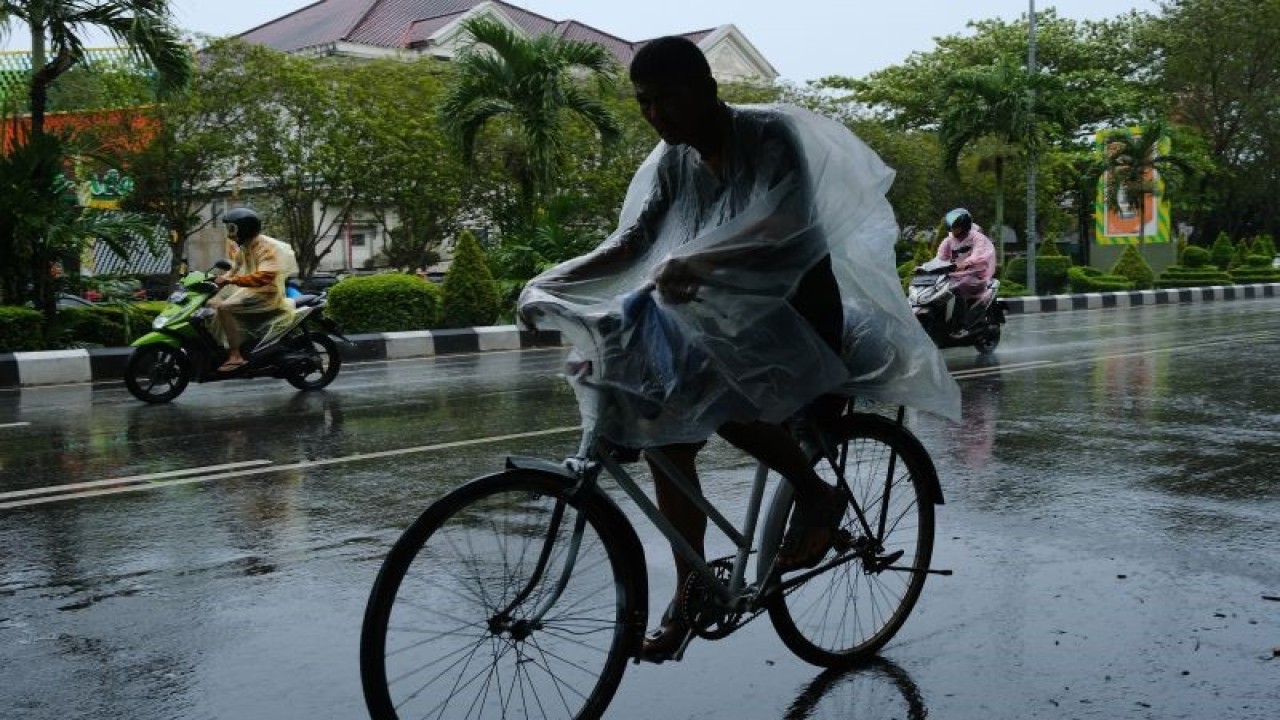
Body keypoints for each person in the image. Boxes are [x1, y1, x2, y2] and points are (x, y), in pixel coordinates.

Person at [519, 37, 959, 662]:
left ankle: (815, 492)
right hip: (723, 318)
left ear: (708, 89)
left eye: (668, 98)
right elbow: (638, 240)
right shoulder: (675, 162)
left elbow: (789, 227)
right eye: (644, 102)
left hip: (799, 320)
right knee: (665, 437)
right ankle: (693, 592)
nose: (656, 114)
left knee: (712, 396)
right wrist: (552, 281)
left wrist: (697, 259)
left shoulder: (771, 137)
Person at [209, 207, 298, 372]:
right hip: (252, 291)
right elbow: (234, 269)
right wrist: (214, 279)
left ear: (244, 228)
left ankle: (236, 355)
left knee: (224, 308)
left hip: (266, 295)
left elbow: (264, 276)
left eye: (232, 228)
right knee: (212, 303)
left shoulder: (265, 248)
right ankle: (230, 347)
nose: (229, 233)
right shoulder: (245, 248)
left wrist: (230, 280)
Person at [934, 208, 996, 337]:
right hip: (955, 275)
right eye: (951, 227)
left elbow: (979, 254)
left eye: (956, 227)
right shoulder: (948, 241)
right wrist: (925, 267)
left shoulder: (977, 238)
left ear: (965, 226)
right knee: (938, 290)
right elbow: (939, 258)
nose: (953, 230)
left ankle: (961, 326)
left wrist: (967, 263)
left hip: (976, 275)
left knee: (956, 289)